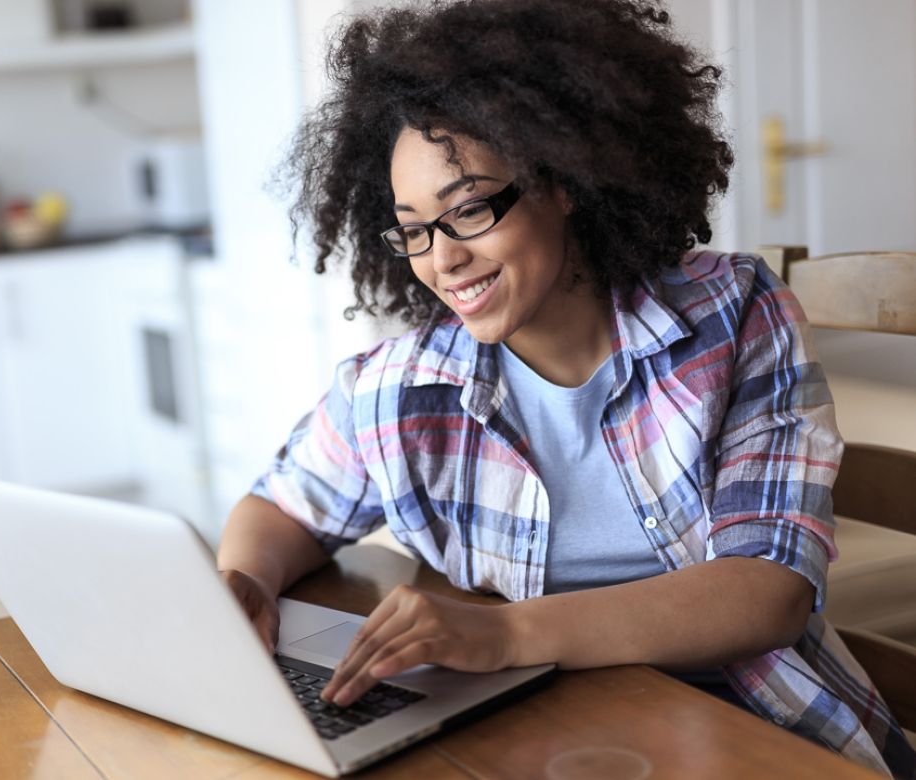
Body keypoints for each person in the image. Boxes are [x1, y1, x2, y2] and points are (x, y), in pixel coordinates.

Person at [214, 1, 916, 777]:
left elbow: (768, 591)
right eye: (413, 228)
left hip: (755, 730)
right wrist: (245, 584)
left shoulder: (734, 315)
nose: (442, 260)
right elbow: (282, 507)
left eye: (468, 209)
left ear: (563, 179)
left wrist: (506, 635)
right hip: (547, 731)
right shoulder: (401, 387)